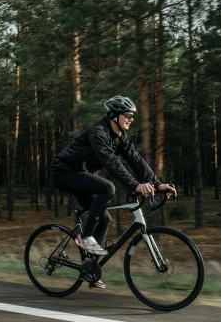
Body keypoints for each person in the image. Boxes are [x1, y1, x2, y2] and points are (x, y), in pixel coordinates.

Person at [50, 95, 177, 289]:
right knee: (108, 188)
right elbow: (111, 162)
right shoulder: (98, 132)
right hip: (63, 172)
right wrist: (135, 185)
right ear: (113, 116)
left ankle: (90, 266)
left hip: (80, 173)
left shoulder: (121, 137)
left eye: (133, 116)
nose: (131, 119)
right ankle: (85, 240)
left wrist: (157, 184)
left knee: (106, 217)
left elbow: (136, 160)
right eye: (127, 115)